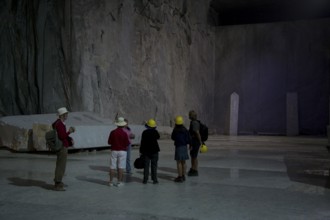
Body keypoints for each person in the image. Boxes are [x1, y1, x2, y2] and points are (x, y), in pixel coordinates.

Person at [52, 107, 75, 191]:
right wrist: (70, 131)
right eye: (66, 114)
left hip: (61, 146)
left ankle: (58, 182)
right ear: (62, 115)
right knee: (61, 166)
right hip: (62, 147)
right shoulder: (60, 124)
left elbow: (61, 135)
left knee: (60, 165)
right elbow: (62, 136)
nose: (67, 115)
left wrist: (69, 138)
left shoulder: (57, 123)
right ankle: (57, 183)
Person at [108, 117, 130, 187]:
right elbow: (127, 143)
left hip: (114, 150)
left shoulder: (112, 132)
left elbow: (109, 142)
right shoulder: (124, 133)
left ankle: (111, 182)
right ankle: (119, 182)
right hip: (122, 151)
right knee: (121, 167)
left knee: (112, 166)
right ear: (123, 125)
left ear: (117, 124)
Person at [139, 119, 160, 184]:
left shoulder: (144, 132)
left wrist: (141, 151)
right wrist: (154, 129)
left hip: (146, 151)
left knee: (146, 166)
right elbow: (158, 137)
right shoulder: (155, 132)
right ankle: (154, 179)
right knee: (154, 166)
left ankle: (145, 179)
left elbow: (142, 142)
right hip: (154, 151)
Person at [171, 116, 191, 182]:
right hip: (184, 147)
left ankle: (180, 177)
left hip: (178, 147)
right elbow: (188, 139)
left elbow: (172, 137)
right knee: (184, 161)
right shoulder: (185, 130)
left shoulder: (175, 130)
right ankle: (183, 175)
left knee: (179, 162)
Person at [188, 110, 202, 176]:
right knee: (193, 156)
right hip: (194, 142)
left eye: (189, 115)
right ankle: (193, 168)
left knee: (194, 156)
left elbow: (197, 132)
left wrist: (200, 141)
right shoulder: (194, 122)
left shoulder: (194, 123)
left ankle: (194, 169)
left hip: (195, 142)